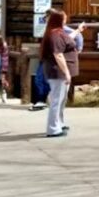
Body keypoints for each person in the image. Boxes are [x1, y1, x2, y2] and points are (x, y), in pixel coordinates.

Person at [31, 17, 85, 111]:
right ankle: (42, 101)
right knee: (39, 79)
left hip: (53, 59)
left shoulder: (62, 30)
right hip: (46, 57)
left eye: (48, 19)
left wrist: (78, 49)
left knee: (46, 80)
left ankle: (44, 102)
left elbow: (78, 36)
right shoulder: (49, 30)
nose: (46, 21)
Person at [40, 9, 78, 138]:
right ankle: (53, 129)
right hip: (57, 72)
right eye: (63, 19)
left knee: (62, 99)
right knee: (57, 100)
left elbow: (68, 40)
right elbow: (58, 55)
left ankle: (59, 123)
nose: (65, 21)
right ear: (57, 20)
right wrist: (66, 72)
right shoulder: (55, 34)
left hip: (60, 72)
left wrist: (78, 31)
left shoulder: (59, 33)